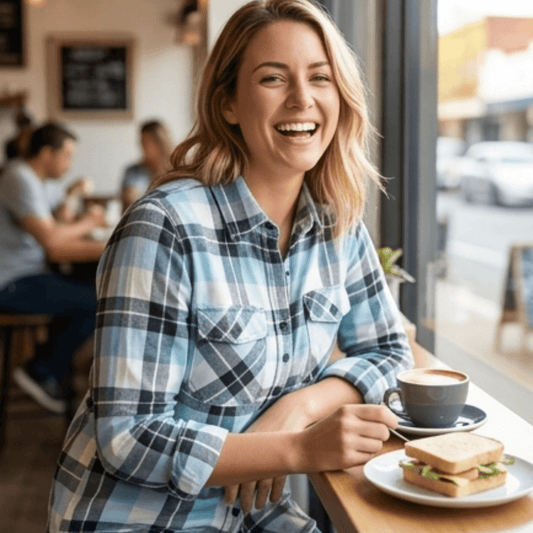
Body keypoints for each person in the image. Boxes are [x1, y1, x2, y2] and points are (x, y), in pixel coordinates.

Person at [47, 1, 413, 532]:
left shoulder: (338, 226)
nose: (302, 99)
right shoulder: (165, 226)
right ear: (228, 105)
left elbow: (389, 350)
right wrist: (293, 451)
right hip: (136, 517)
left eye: (320, 77)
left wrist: (298, 409)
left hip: (247, 512)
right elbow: (127, 436)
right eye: (272, 78)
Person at [0, 122, 107, 414]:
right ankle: (40, 369)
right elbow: (53, 243)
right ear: (48, 153)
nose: (69, 163)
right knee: (97, 301)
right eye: (67, 155)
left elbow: (57, 224)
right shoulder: (18, 177)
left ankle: (55, 370)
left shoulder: (36, 180)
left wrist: (73, 205)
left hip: (31, 272)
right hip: (10, 282)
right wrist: (95, 226)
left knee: (92, 281)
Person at [120, 119, 173, 210]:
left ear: (160, 143)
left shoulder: (176, 171)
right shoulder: (133, 171)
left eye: (147, 141)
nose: (142, 145)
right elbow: (126, 204)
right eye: (141, 141)